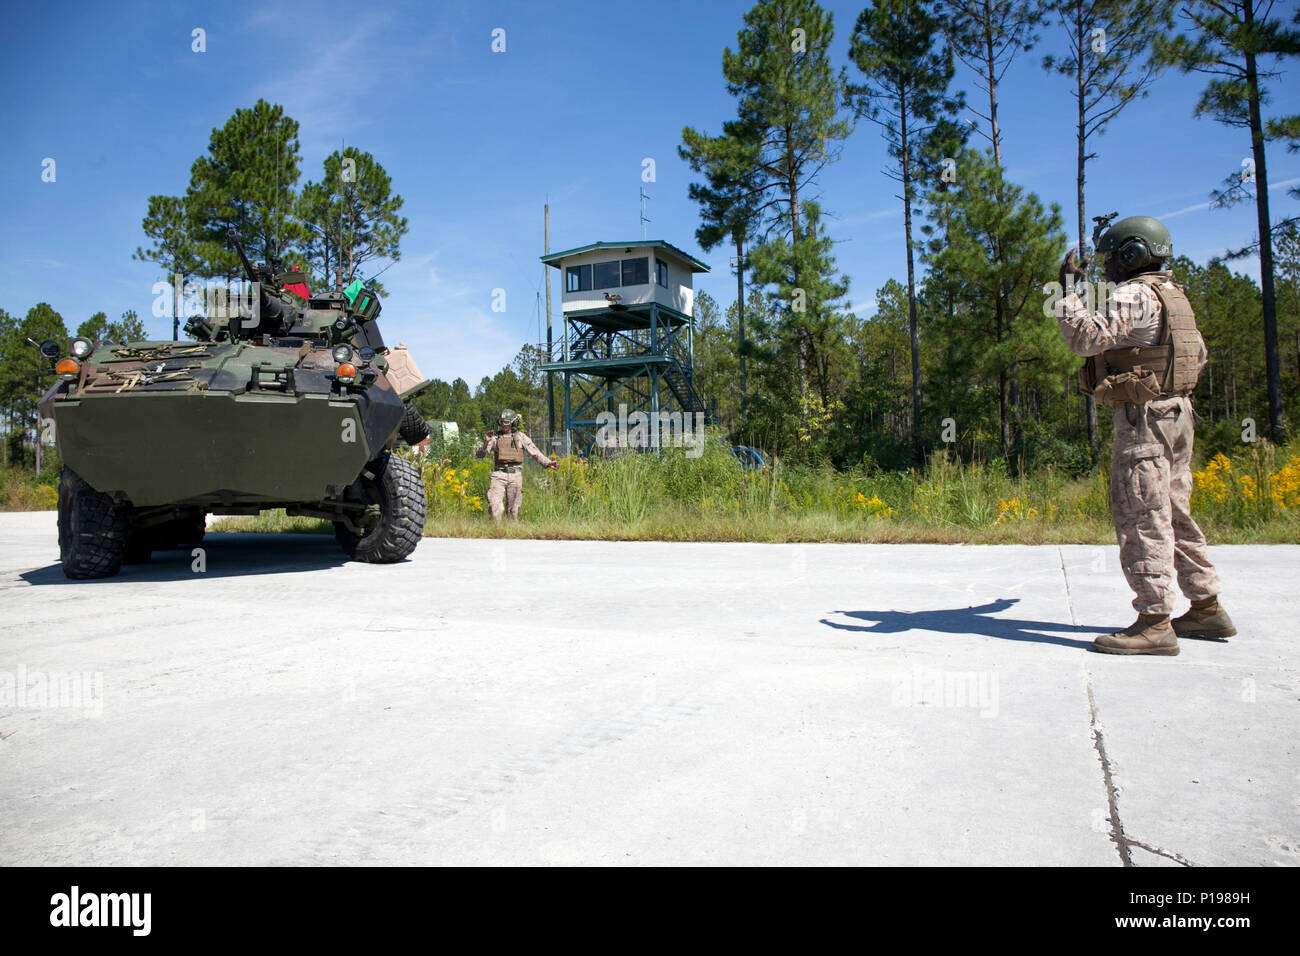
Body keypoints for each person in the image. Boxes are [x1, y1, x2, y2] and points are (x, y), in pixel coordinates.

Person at [1055, 215, 1236, 656]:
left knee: (1142, 515)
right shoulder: (1174, 296)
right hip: (1176, 412)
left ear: (1133, 254)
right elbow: (1198, 354)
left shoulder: (1134, 294)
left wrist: (1066, 293)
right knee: (1174, 512)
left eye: (1112, 257)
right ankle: (1206, 607)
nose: (1107, 267)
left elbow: (1085, 338)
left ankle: (1154, 621)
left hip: (1145, 419)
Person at [475, 409, 558, 519]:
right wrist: (485, 443)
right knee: (494, 505)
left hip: (515, 475)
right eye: (502, 422)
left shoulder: (520, 437)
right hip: (499, 474)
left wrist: (548, 463)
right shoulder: (495, 438)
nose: (504, 425)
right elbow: (480, 455)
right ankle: (496, 531)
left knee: (513, 510)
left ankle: (511, 532)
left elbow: (534, 452)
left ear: (513, 422)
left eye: (507, 422)